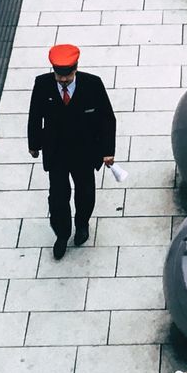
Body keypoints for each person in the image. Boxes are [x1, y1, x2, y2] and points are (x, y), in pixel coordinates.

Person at [27, 43, 116, 259]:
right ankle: (62, 234)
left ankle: (82, 223)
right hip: (56, 153)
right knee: (58, 197)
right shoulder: (42, 84)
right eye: (59, 76)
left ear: (76, 68)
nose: (63, 80)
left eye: (67, 75)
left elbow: (107, 119)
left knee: (85, 193)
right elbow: (34, 116)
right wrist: (34, 144)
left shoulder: (93, 84)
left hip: (85, 152)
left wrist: (108, 151)